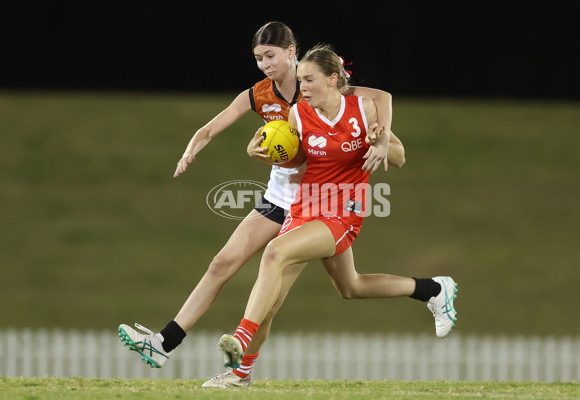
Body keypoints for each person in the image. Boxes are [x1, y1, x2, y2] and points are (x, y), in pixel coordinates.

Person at [117, 21, 408, 388]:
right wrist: (194, 149)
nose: (265, 64)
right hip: (280, 198)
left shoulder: (317, 85)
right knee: (223, 263)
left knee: (335, 288)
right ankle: (164, 342)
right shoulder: (260, 94)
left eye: (270, 56)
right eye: (258, 58)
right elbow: (210, 128)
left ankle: (240, 367)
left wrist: (381, 142)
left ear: (291, 52)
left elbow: (378, 101)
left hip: (321, 202)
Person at [216, 44, 458, 377]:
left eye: (310, 80)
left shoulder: (363, 111)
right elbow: (297, 160)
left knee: (274, 252)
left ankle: (241, 339)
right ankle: (434, 289)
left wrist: (382, 141)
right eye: (300, 81)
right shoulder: (298, 114)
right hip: (304, 209)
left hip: (342, 213)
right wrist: (260, 153)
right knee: (346, 288)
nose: (302, 88)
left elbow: (400, 159)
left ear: (333, 80)